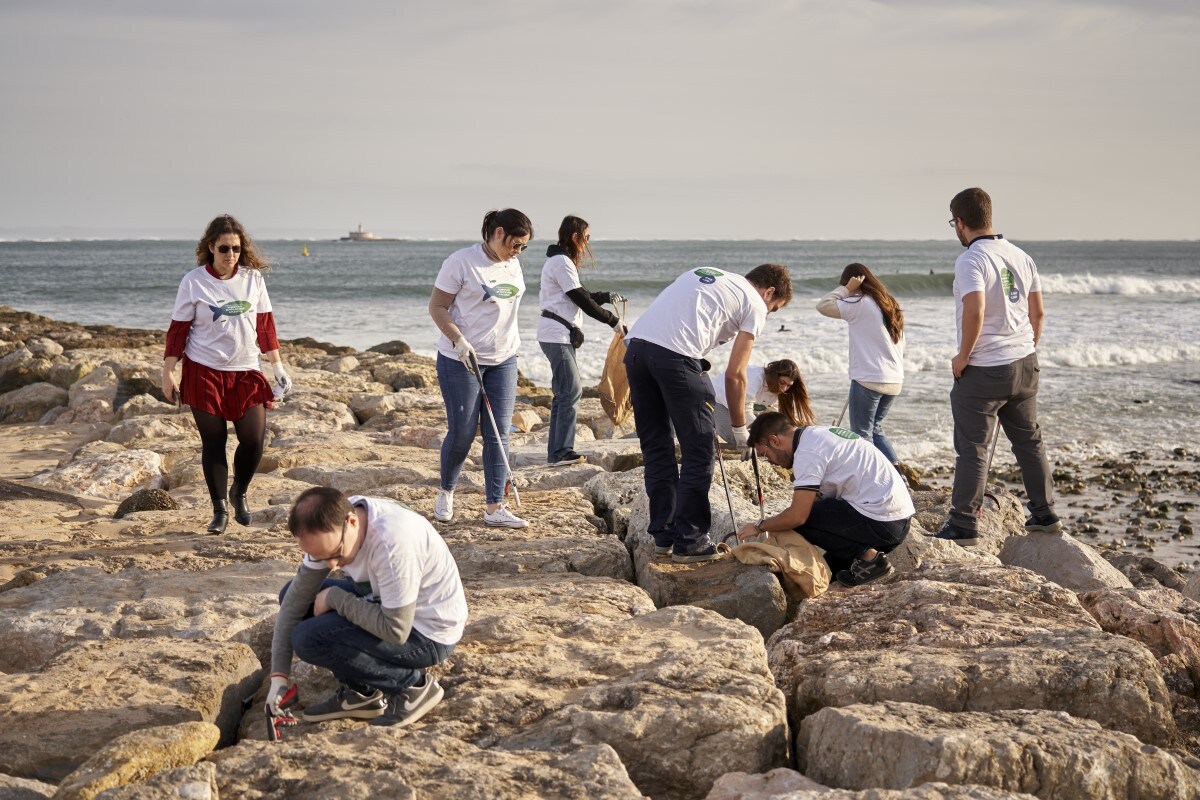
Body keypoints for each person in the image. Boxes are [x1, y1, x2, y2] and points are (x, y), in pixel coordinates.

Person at [624, 263, 791, 563]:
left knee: (657, 447)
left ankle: (664, 536)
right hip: (676, 357)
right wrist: (740, 430)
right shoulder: (755, 303)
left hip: (636, 351)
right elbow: (735, 375)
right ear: (769, 292)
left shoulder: (707, 274)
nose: (769, 314)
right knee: (698, 450)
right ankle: (690, 542)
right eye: (774, 308)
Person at [265, 487, 466, 728]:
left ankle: (411, 687)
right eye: (320, 557)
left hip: (426, 633)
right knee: (293, 595)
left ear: (351, 521)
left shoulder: (392, 544)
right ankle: (362, 694)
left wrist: (337, 599)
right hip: (384, 605)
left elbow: (396, 630)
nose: (331, 564)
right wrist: (278, 678)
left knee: (308, 639)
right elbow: (294, 604)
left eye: (336, 554)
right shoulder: (331, 526)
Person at [936, 187, 1060, 547]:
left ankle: (963, 522)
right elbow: (1037, 312)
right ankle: (1045, 513)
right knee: (1029, 441)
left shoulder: (971, 259)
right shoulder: (1021, 255)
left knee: (973, 445)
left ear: (960, 222)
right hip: (1024, 362)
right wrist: (1027, 347)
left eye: (953, 223)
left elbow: (975, 310)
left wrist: (962, 356)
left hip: (985, 367)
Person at [162, 214, 292, 534]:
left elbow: (265, 325)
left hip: (246, 370)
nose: (230, 255)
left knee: (253, 440)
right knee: (214, 440)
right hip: (203, 370)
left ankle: (240, 491)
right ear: (211, 247)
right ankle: (219, 509)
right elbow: (178, 330)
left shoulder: (253, 279)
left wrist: (277, 365)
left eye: (235, 248)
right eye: (224, 248)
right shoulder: (193, 281)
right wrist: (168, 371)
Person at [428, 209, 532, 529]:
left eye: (523, 248)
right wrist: (458, 340)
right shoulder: (461, 262)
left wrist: (511, 346)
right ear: (498, 233)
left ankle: (494, 506)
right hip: (461, 359)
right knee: (462, 431)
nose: (517, 252)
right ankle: (446, 491)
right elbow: (437, 306)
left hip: (503, 360)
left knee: (498, 433)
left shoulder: (513, 264)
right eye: (515, 244)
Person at [738, 411, 914, 586]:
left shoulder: (807, 453)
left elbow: (798, 517)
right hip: (895, 518)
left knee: (801, 521)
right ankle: (856, 563)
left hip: (882, 522)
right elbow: (825, 505)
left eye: (765, 454)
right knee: (829, 574)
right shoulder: (816, 435)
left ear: (775, 441)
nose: (771, 462)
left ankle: (870, 558)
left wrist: (759, 526)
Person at [536, 215, 628, 466]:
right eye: (586, 237)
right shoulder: (561, 262)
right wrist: (613, 321)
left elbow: (581, 294)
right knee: (571, 390)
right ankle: (561, 452)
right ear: (575, 237)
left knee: (563, 392)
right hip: (556, 334)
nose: (587, 242)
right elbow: (580, 300)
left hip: (558, 333)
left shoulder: (561, 262)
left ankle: (556, 451)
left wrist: (605, 296)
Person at [816, 263, 906, 465]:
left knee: (861, 434)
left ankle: (872, 478)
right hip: (894, 379)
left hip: (869, 378)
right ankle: (899, 475)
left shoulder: (860, 303)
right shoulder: (889, 304)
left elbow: (823, 305)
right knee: (876, 429)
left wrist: (846, 289)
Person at [708, 359, 814, 445]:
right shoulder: (755, 377)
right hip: (716, 400)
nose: (784, 388)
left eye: (788, 385)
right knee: (739, 439)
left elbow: (773, 414)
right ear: (774, 375)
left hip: (741, 408)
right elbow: (745, 410)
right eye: (782, 382)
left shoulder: (778, 389)